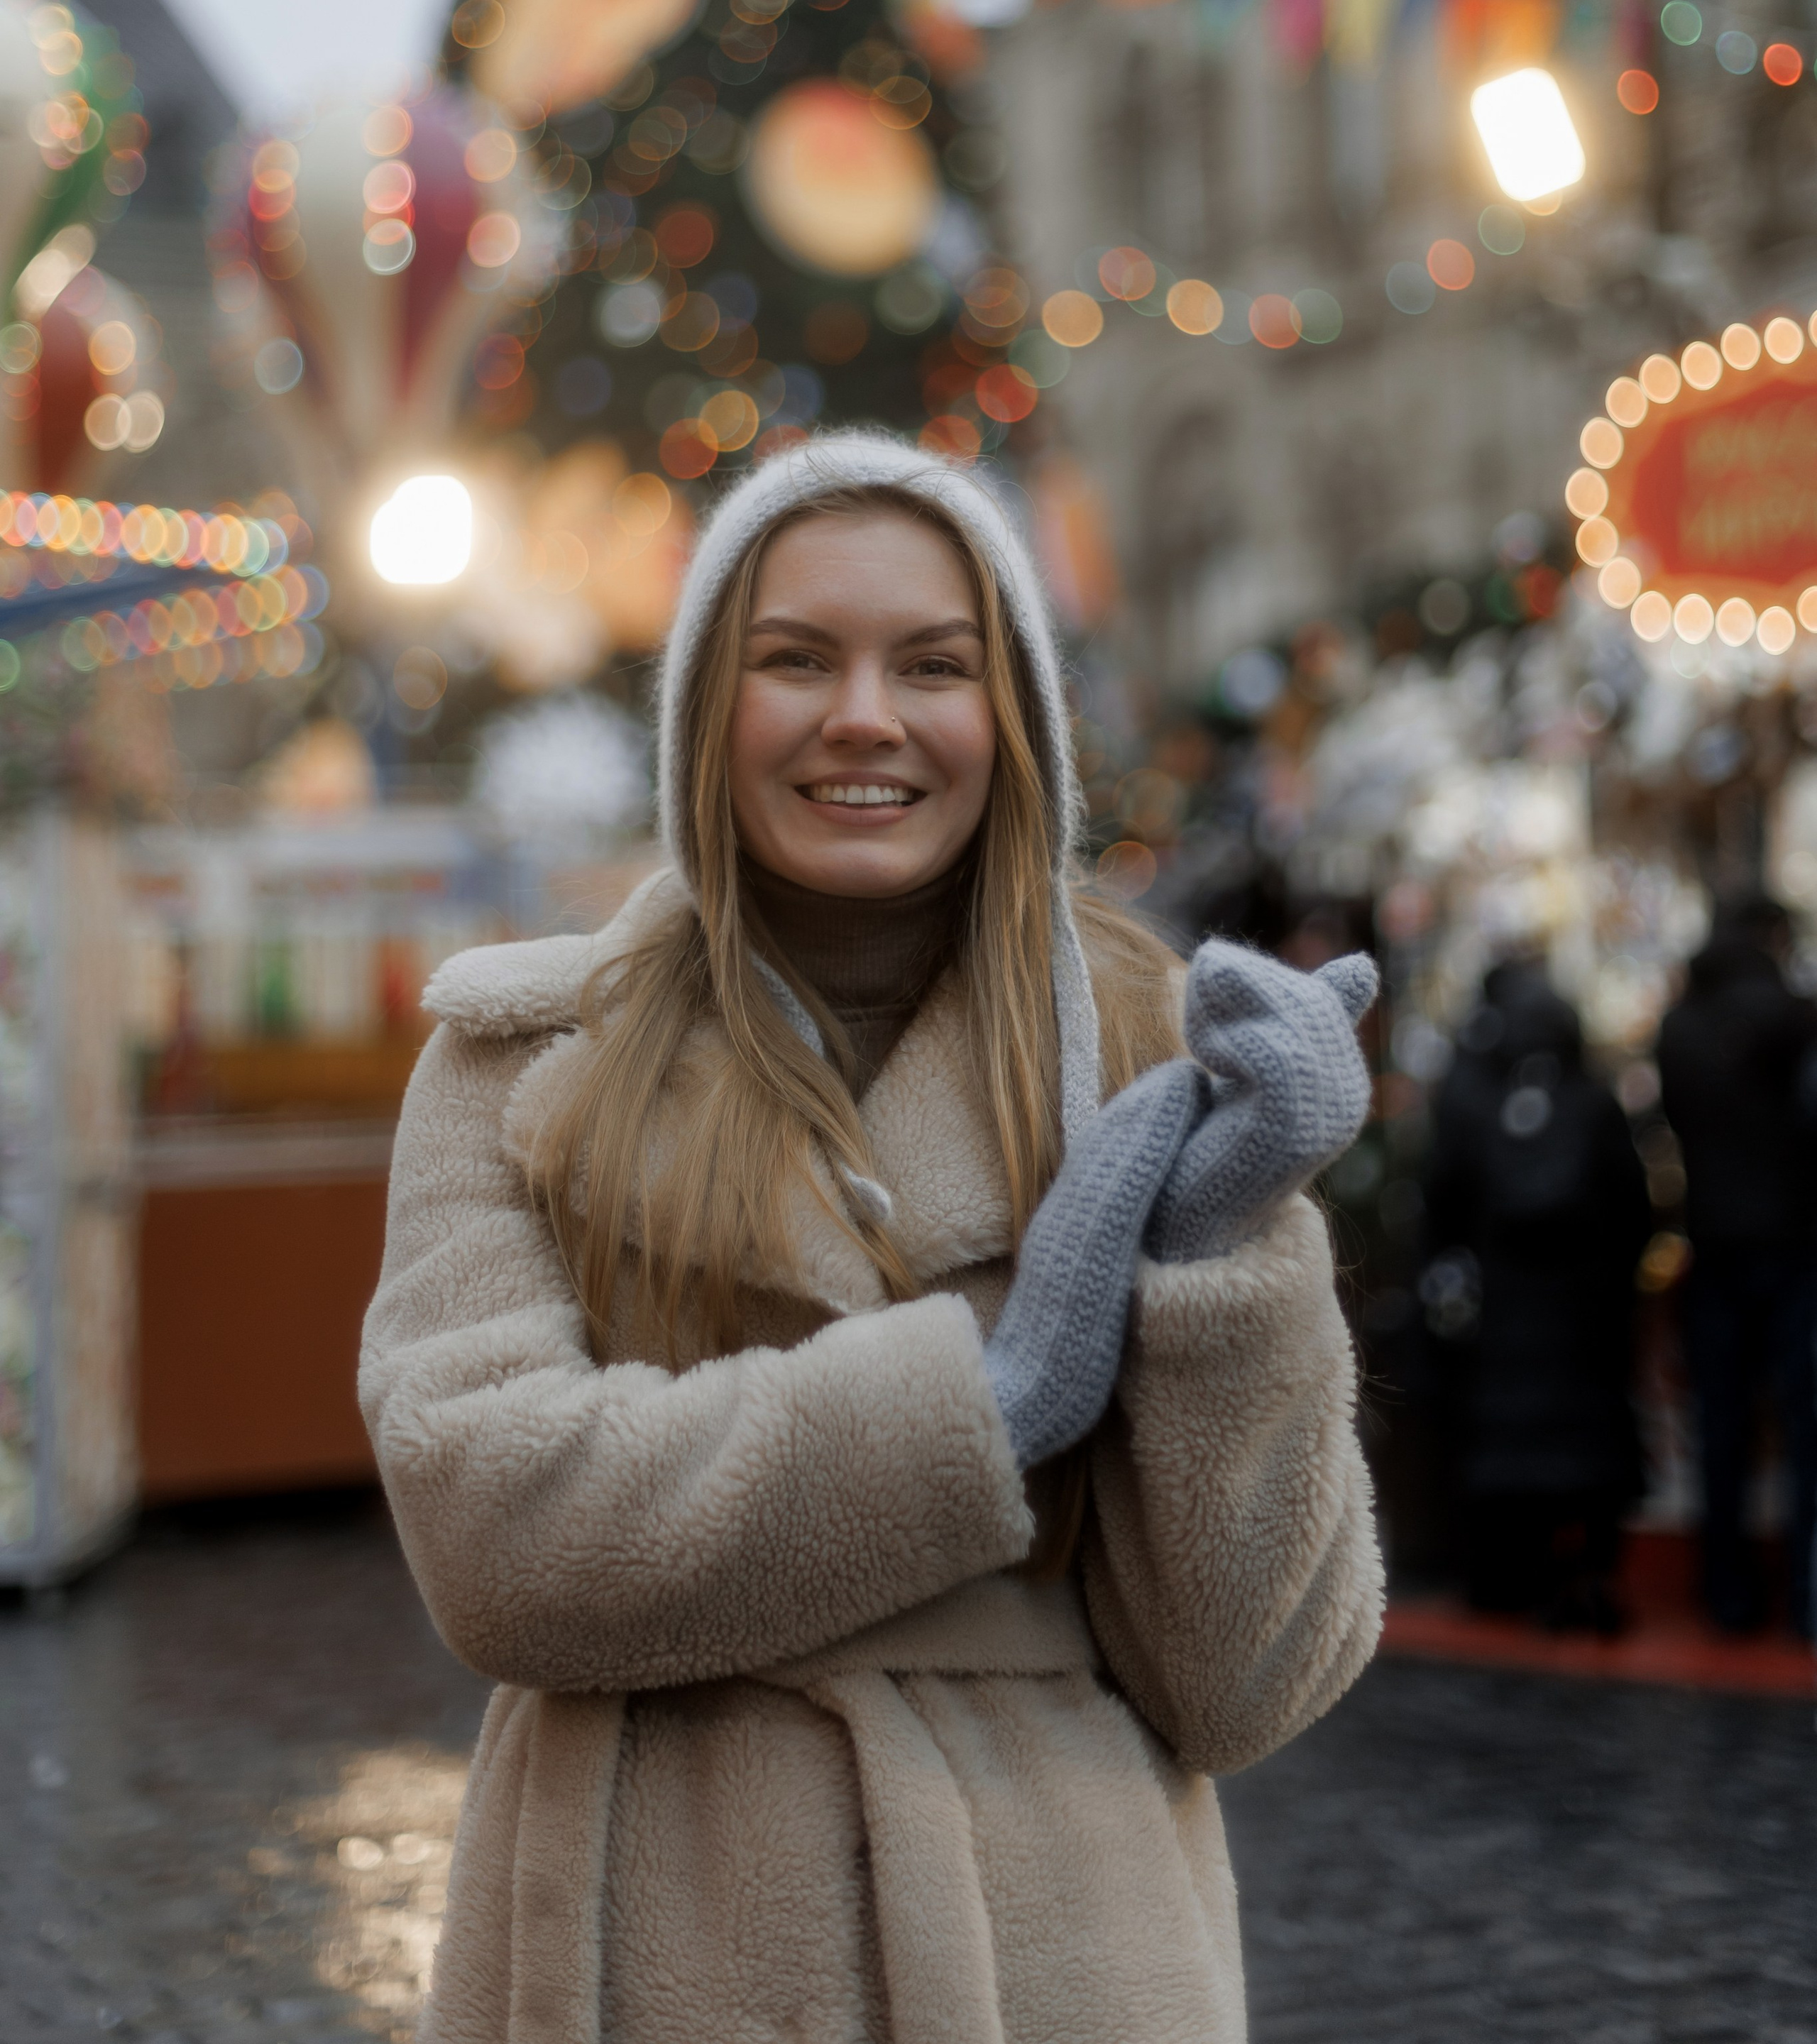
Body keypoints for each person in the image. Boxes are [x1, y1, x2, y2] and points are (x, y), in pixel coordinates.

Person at [360, 433, 1383, 2044]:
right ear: (707, 709)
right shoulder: (516, 1058)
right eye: (793, 658)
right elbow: (494, 1545)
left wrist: (1225, 1256)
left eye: (931, 663)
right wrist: (977, 1403)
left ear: (1011, 720)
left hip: (1060, 1959)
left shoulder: (1149, 1058)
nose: (863, 713)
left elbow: (1248, 1682)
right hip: (644, 1947)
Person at [1424, 961, 1651, 1631]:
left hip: (1505, 1315)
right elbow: (1633, 1207)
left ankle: (1507, 1578)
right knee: (1589, 1443)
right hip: (1584, 1317)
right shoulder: (1593, 1102)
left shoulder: (1477, 1104)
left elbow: (1445, 1207)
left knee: (1509, 1447)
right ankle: (1587, 1577)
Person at [1657, 896, 1817, 1639]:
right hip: (1792, 1246)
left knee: (1720, 1429)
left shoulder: (1680, 1027)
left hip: (1713, 1244)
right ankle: (1804, 1595)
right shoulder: (1793, 1016)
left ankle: (1728, 1594)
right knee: (1802, 1421)